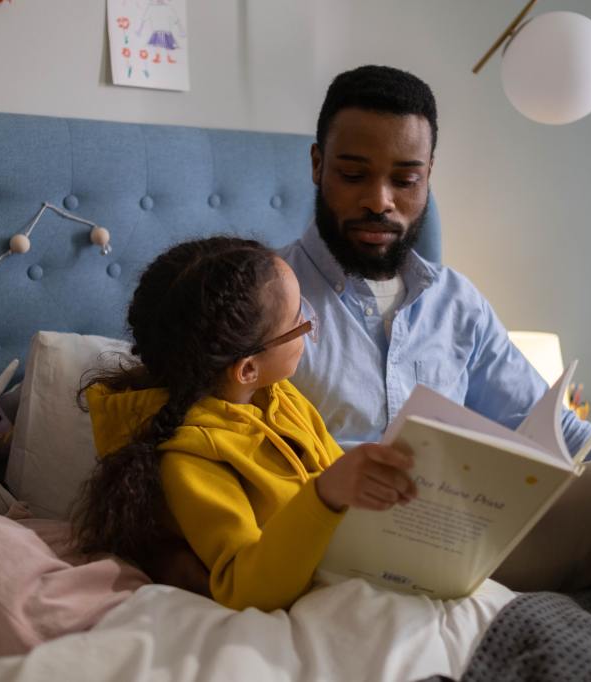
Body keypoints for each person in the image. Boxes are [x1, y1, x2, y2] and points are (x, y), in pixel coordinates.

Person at [279, 64, 591, 601]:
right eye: (354, 175)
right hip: (334, 546)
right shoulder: (265, 302)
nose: (380, 200)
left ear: (428, 175)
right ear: (318, 166)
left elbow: (548, 425)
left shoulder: (455, 303)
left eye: (405, 180)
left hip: (461, 537)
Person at [71, 236, 418, 611]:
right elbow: (244, 587)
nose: (308, 325)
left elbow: (335, 479)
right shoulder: (189, 458)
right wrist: (325, 494)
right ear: (248, 369)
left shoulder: (276, 397)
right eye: (299, 322)